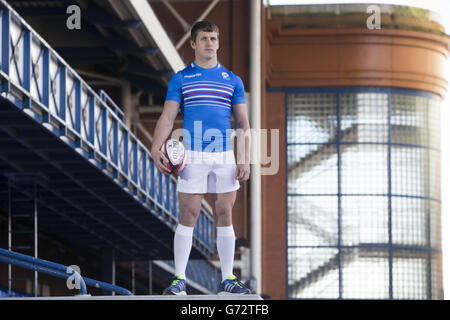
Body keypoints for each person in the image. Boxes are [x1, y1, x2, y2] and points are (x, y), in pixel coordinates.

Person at [150, 21, 251, 295]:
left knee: (225, 213)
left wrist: (244, 158)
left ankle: (228, 279)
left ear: (218, 42)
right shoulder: (181, 78)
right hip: (191, 154)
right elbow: (168, 116)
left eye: (214, 38)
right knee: (189, 213)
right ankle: (178, 280)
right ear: (193, 44)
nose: (210, 43)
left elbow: (243, 122)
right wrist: (155, 146)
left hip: (223, 154)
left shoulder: (233, 80)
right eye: (204, 38)